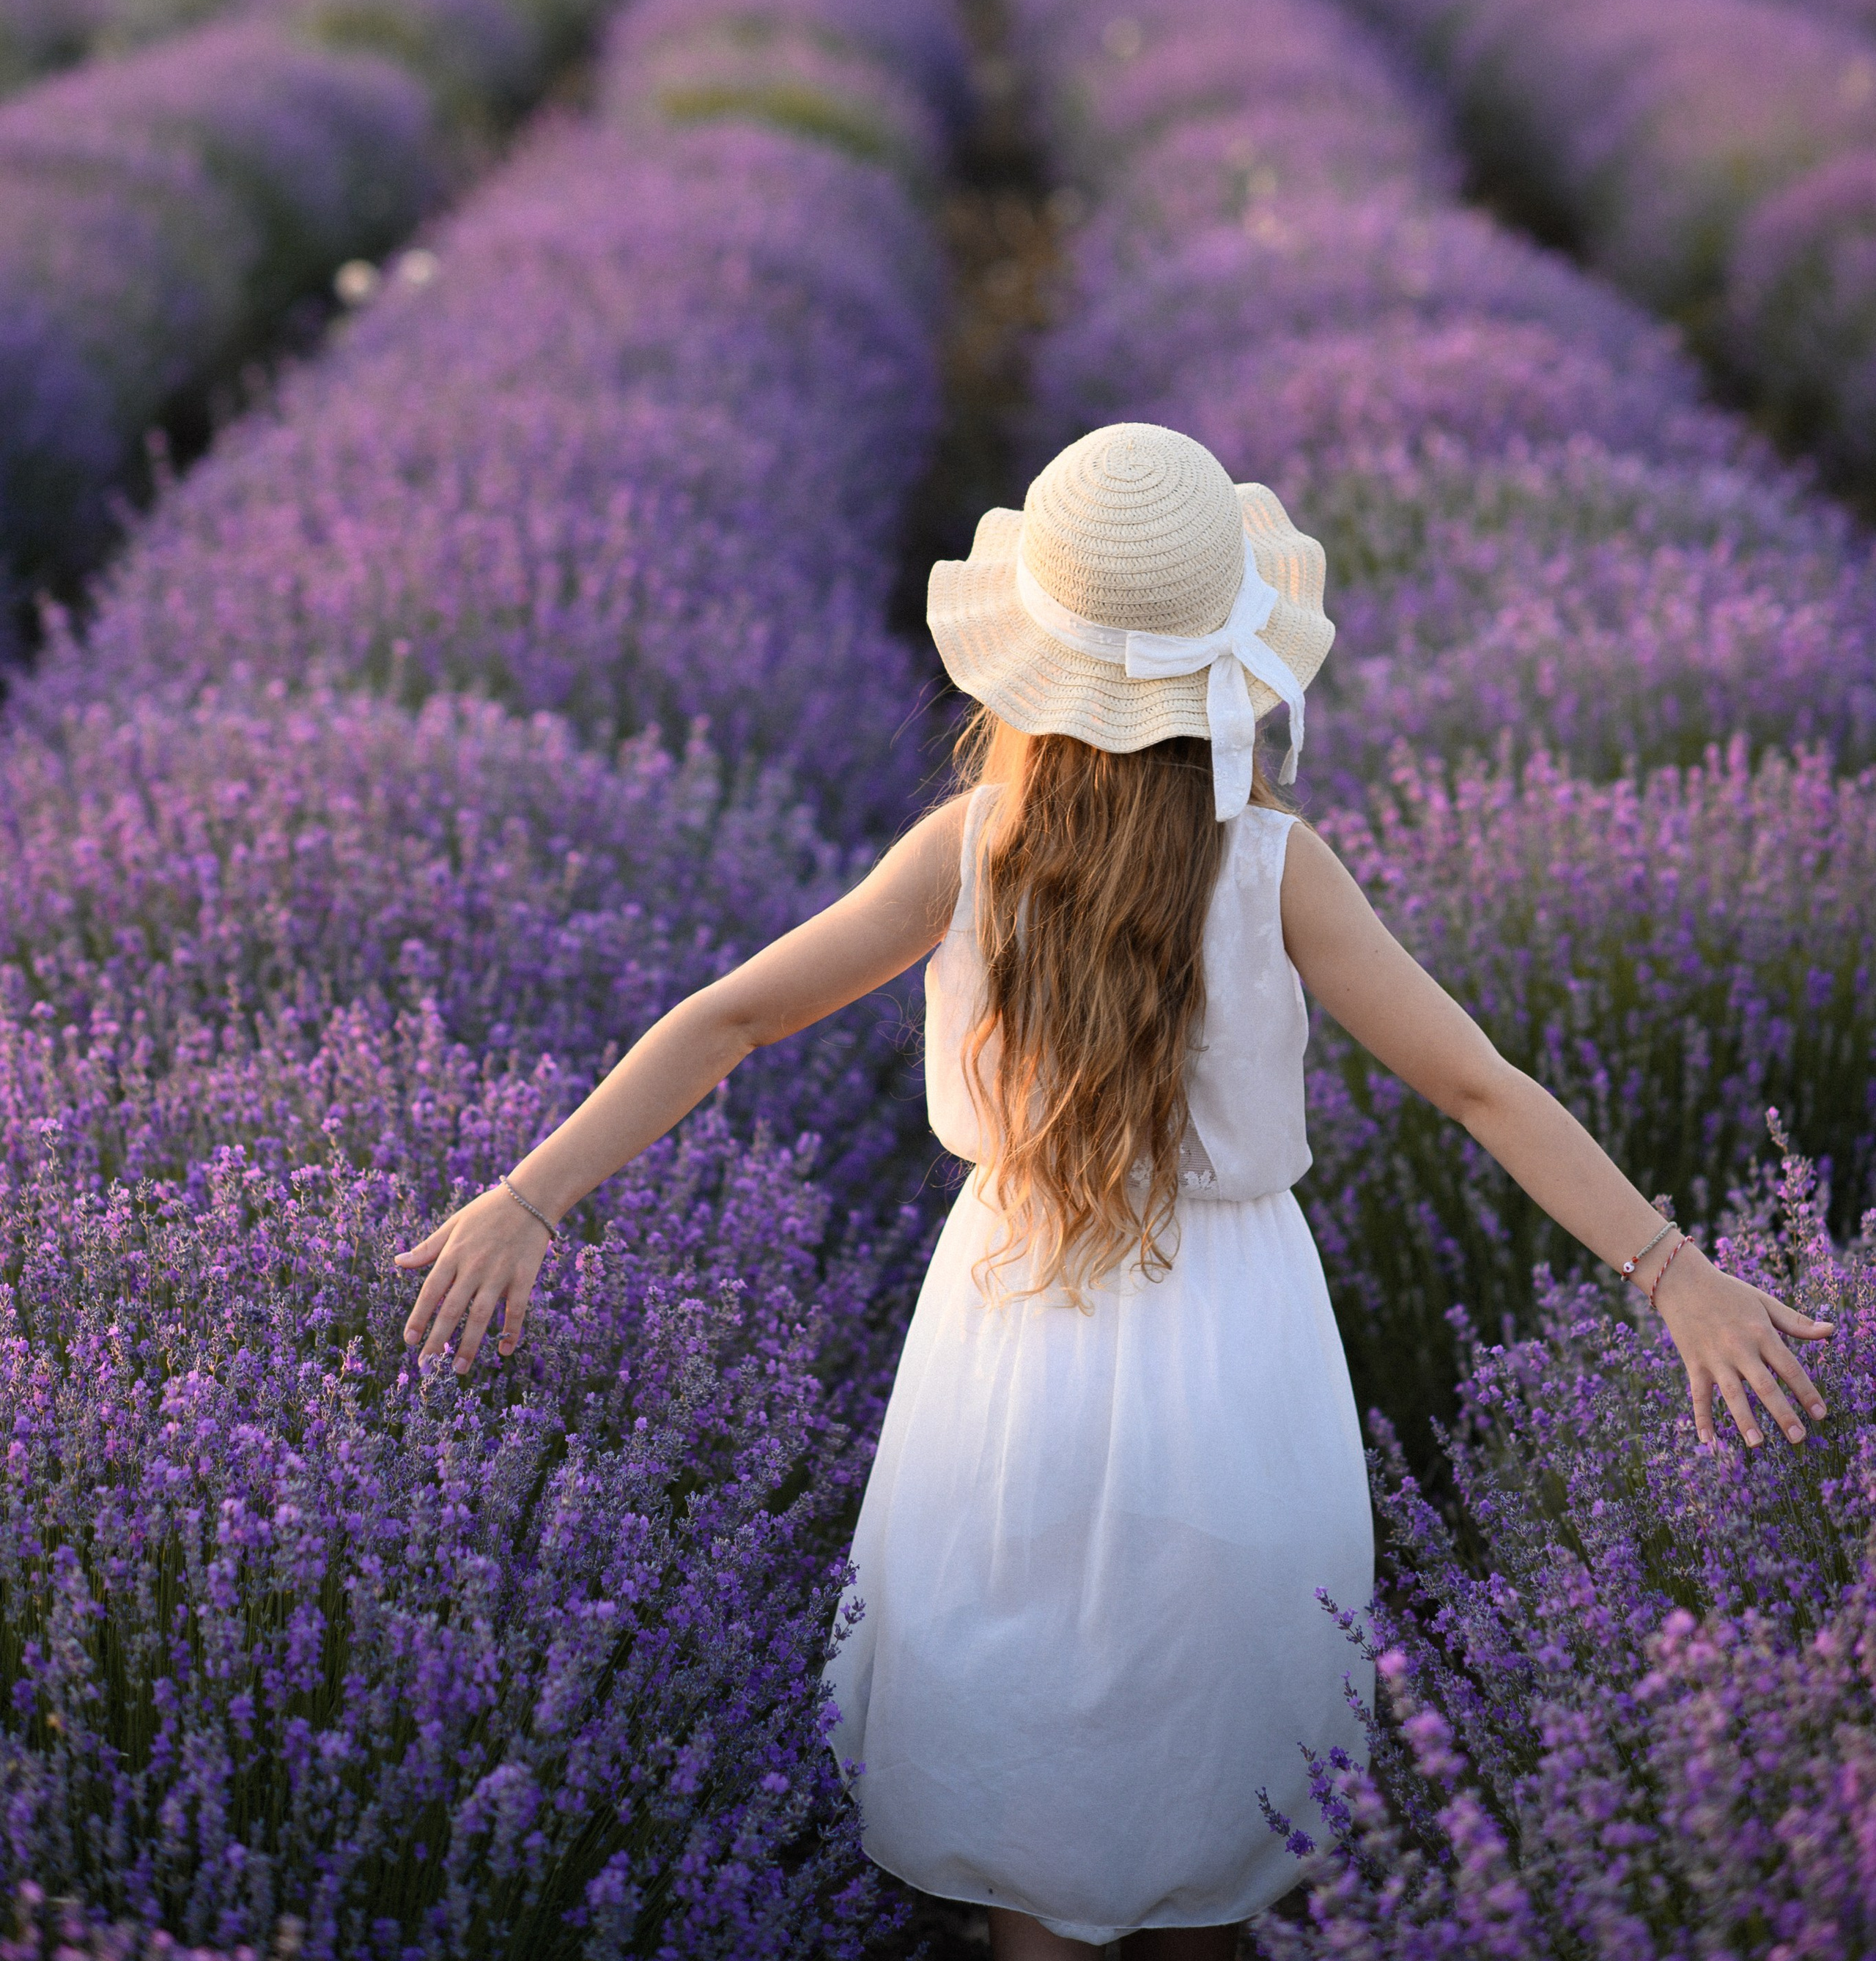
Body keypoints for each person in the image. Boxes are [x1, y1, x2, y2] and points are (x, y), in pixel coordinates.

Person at [396, 421, 1834, 1957]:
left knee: (1039, 1788)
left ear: (1033, 658)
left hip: (1012, 1341)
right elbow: (1475, 1084)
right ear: (1227, 650)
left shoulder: (968, 850)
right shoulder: (1276, 867)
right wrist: (1668, 1268)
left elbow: (726, 1019)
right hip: (1236, 1350)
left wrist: (530, 1200)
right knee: (1211, 1790)